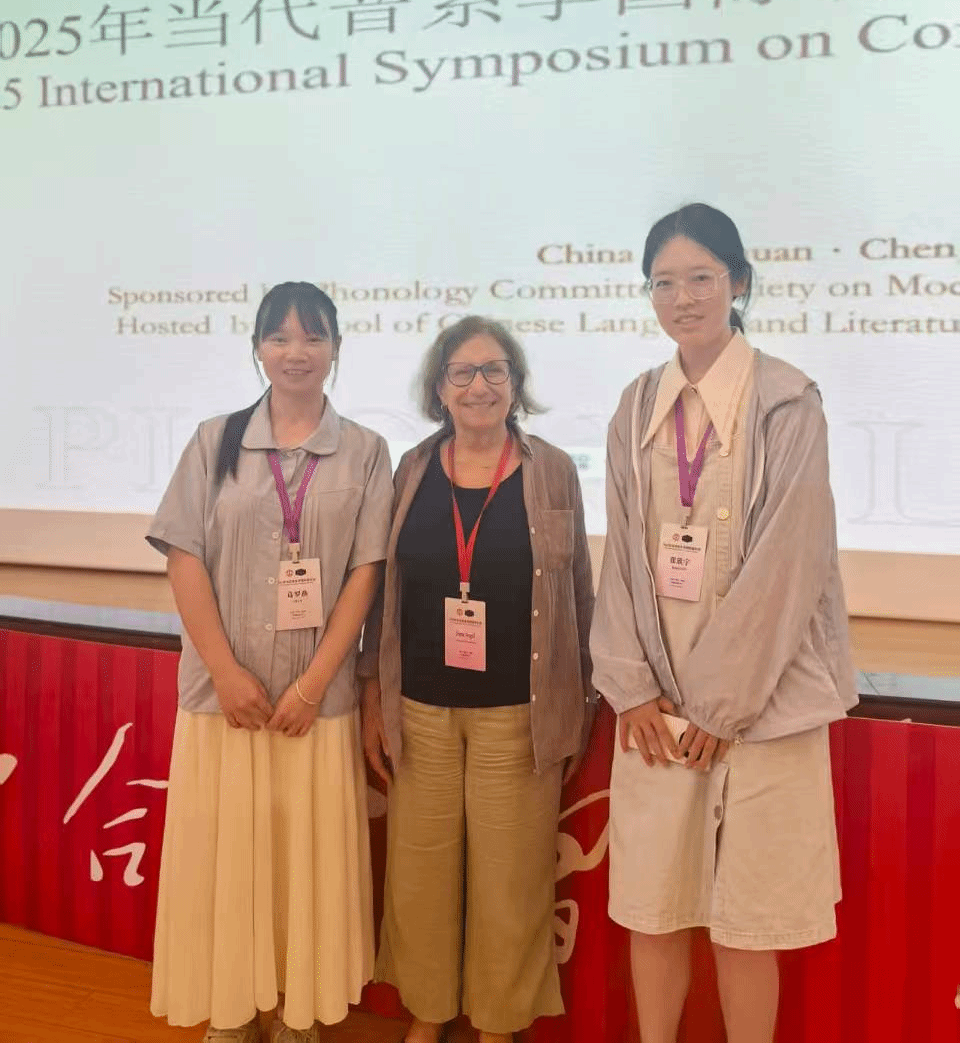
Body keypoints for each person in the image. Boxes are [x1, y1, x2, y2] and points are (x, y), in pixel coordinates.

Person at [590, 204, 858, 1043]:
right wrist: (632, 688)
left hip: (761, 708)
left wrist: (720, 704)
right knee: (655, 911)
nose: (684, 298)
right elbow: (622, 558)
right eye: (664, 282)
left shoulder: (787, 402)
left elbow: (789, 565)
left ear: (738, 282)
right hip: (659, 714)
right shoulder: (637, 405)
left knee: (748, 923)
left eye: (702, 277)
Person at [147, 281, 393, 1043]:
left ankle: (296, 1012)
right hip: (225, 700)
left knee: (303, 865)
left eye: (313, 337)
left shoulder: (366, 451)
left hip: (313, 705)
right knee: (227, 860)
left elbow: (366, 573)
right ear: (256, 348)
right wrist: (225, 673)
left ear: (336, 349)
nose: (296, 352)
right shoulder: (213, 440)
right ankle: (233, 1009)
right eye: (280, 337)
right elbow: (184, 556)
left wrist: (315, 685)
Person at [359, 315, 595, 1043]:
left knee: (511, 881)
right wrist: (372, 693)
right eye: (462, 373)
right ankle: (429, 1012)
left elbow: (578, 593)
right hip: (420, 709)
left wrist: (579, 703)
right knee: (420, 878)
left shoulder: (552, 469)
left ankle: (498, 1022)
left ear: (515, 384)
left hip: (518, 715)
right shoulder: (410, 469)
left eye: (495, 370)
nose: (479, 386)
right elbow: (383, 591)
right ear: (440, 388)